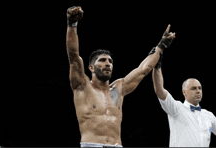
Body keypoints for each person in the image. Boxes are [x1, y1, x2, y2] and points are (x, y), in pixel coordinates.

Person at [66, 6, 175, 147]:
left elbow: (143, 69)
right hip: (92, 144)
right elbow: (73, 55)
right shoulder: (82, 86)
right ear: (91, 67)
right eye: (102, 60)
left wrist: (161, 46)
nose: (107, 64)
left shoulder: (119, 88)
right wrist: (72, 23)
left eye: (110, 61)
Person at [152, 59, 216, 146]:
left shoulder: (209, 115)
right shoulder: (177, 109)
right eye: (193, 88)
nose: (198, 91)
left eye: (200, 88)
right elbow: (160, 90)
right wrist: (157, 67)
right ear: (184, 92)